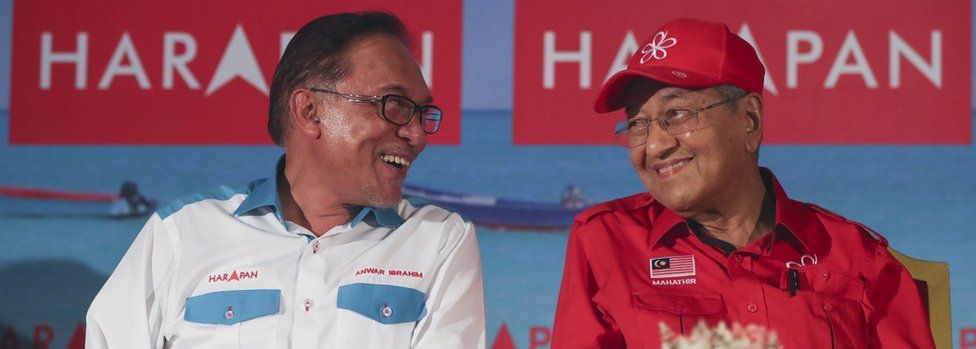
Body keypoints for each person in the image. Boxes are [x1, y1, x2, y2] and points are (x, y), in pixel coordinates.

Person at [87, 12, 485, 348]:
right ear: (310, 111)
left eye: (422, 113)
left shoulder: (439, 241)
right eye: (394, 105)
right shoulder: (183, 232)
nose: (416, 134)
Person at [551, 18, 934, 348]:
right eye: (637, 124)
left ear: (748, 120)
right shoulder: (605, 243)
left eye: (677, 113)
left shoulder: (860, 258)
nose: (654, 145)